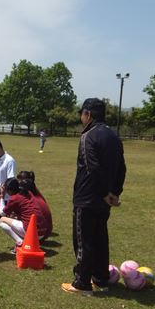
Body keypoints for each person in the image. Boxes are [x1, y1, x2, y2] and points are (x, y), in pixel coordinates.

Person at [61, 98, 126, 297]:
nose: (81, 117)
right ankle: (100, 279)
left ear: (88, 114)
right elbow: (122, 168)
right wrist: (114, 193)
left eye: (82, 113)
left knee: (83, 240)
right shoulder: (114, 136)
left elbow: (92, 168)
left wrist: (105, 193)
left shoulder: (88, 136)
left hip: (88, 196)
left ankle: (82, 282)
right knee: (100, 238)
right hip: (103, 199)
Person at [0, 177, 45, 253]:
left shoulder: (14, 198)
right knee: (15, 218)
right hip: (43, 232)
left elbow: (2, 213)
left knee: (2, 220)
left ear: (9, 190)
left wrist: (1, 197)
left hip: (34, 233)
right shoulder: (27, 193)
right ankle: (25, 242)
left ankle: (20, 242)